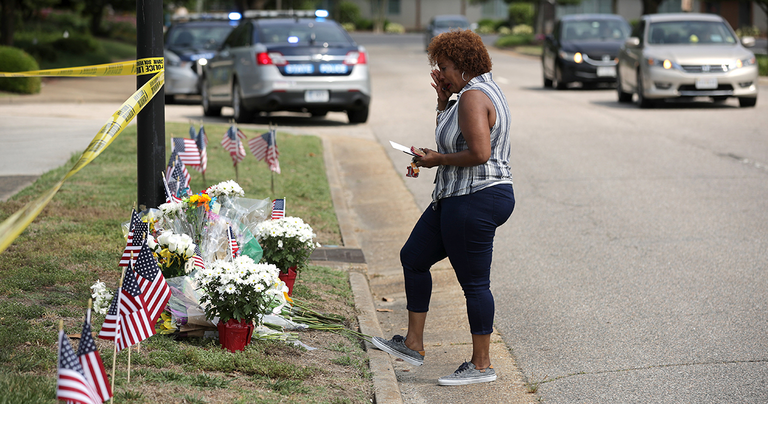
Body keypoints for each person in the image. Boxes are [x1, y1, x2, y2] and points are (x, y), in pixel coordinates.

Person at [371, 29, 516, 386]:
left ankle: (481, 365)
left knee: (474, 283)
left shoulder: (473, 96)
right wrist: (441, 102)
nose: (441, 73)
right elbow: (454, 139)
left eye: (445, 67)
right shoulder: (467, 94)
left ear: (465, 65)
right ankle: (413, 344)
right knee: (414, 257)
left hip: (477, 197)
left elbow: (479, 154)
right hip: (455, 196)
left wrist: (437, 160)